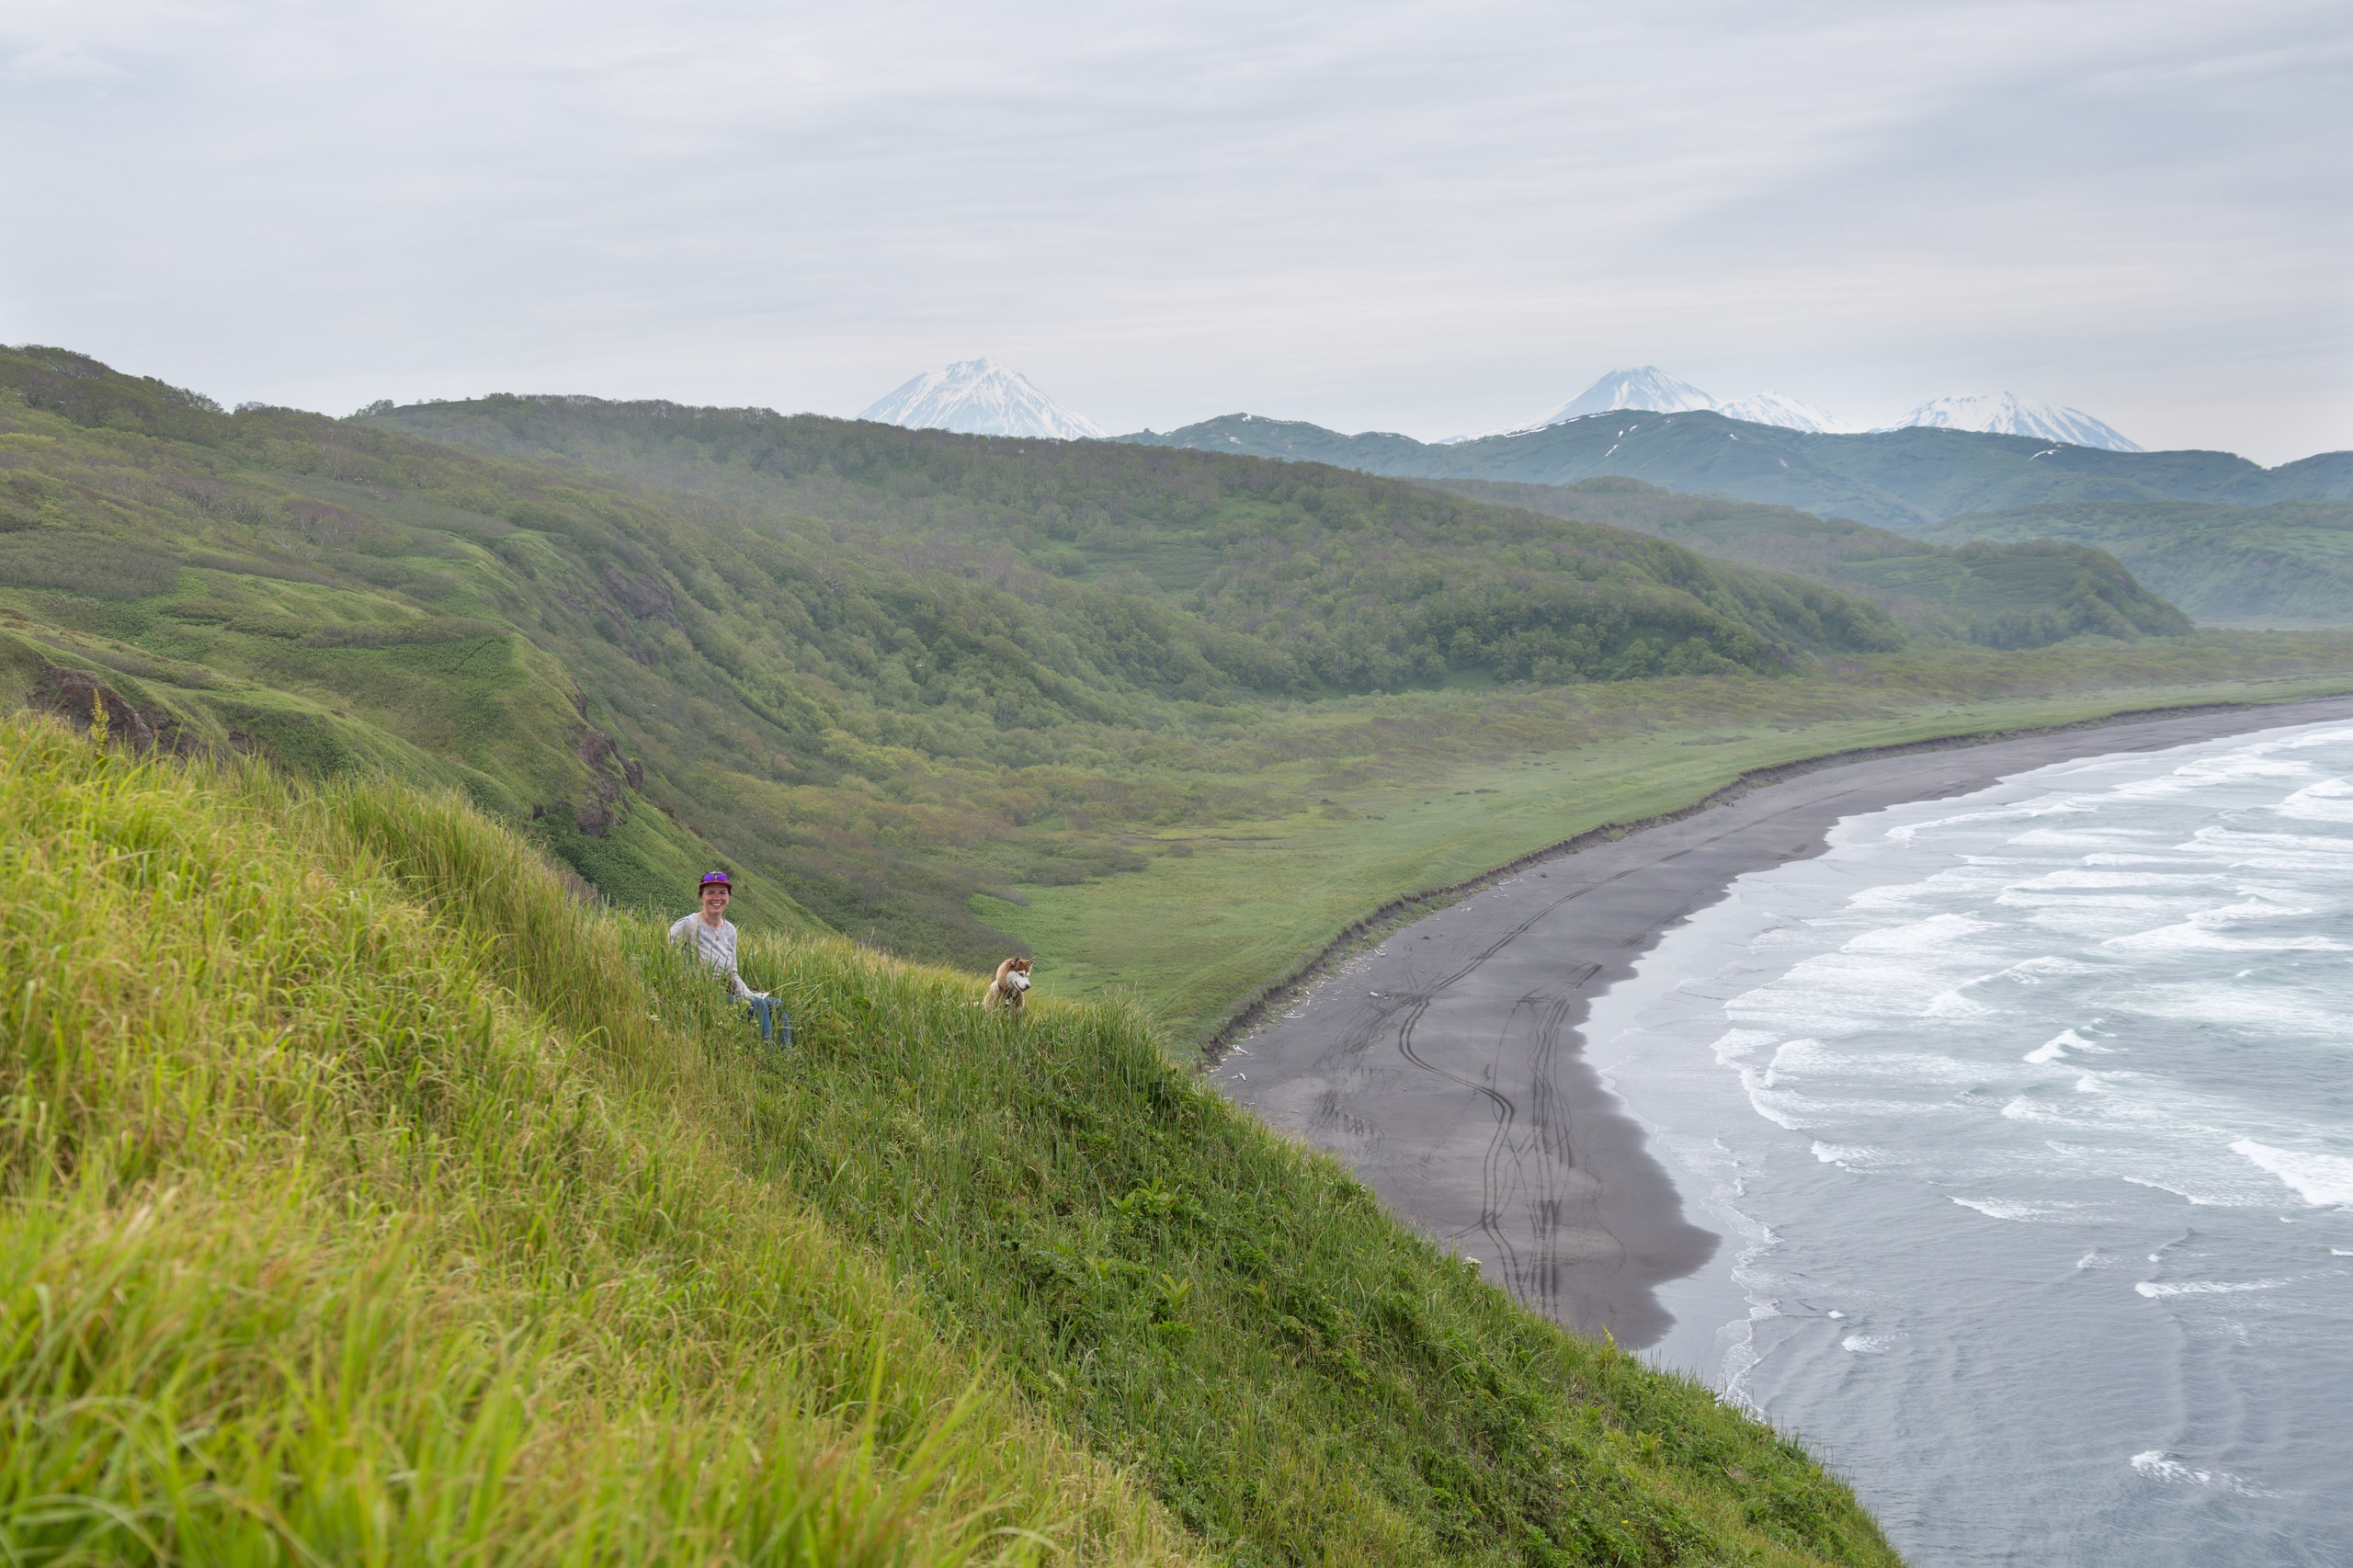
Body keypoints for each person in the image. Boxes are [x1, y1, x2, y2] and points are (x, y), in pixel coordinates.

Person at [668, 871, 784, 1044]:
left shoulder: (730, 930)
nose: (717, 898)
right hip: (702, 995)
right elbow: (666, 956)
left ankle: (787, 1056)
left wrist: (748, 995)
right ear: (701, 898)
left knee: (777, 1005)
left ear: (728, 897)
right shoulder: (688, 924)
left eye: (722, 893)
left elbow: (733, 972)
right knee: (758, 1007)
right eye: (710, 893)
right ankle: (768, 1056)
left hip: (726, 992)